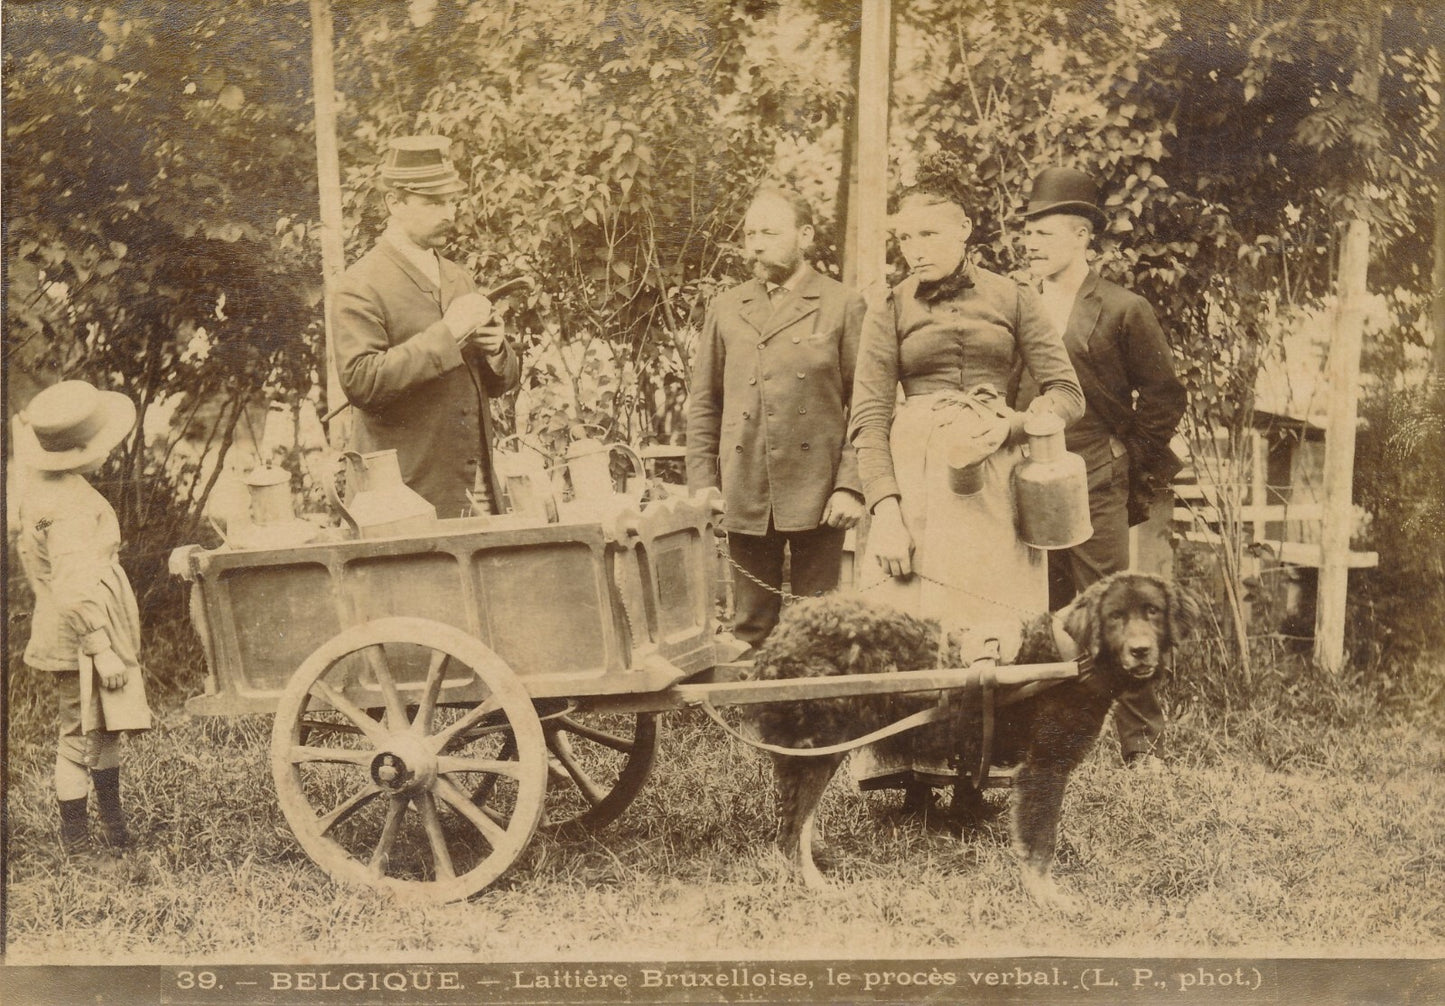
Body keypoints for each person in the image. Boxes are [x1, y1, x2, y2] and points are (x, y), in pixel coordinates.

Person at [847, 152, 1084, 805]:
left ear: (962, 231)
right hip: (917, 489)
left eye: (927, 234)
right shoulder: (887, 308)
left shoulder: (1013, 297)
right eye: (903, 237)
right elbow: (867, 415)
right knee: (916, 624)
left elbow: (1065, 394)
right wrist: (885, 510)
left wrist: (1013, 426)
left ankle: (979, 774)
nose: (913, 248)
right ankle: (913, 773)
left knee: (991, 629)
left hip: (993, 488)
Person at [1017, 166, 1188, 769]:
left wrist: (1124, 461)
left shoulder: (1122, 308)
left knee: (1116, 609)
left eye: (1046, 233)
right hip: (1024, 476)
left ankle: (1141, 745)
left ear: (1082, 236)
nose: (1032, 243)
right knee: (1039, 608)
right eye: (1028, 233)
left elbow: (1165, 396)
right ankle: (1046, 734)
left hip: (1095, 474)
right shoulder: (1014, 305)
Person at [686, 188, 867, 649]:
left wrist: (851, 484)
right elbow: (706, 402)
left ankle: (820, 721)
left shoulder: (842, 304)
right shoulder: (727, 306)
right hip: (745, 486)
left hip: (819, 491)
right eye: (750, 233)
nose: (756, 244)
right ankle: (754, 723)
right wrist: (704, 482)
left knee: (820, 629)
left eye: (769, 232)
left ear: (804, 236)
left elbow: (867, 405)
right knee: (749, 628)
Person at [333, 135, 520, 518]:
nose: (448, 212)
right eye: (433, 201)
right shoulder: (360, 284)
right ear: (394, 202)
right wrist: (448, 333)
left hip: (477, 489)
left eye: (451, 200)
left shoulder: (458, 277)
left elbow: (499, 382)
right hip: (399, 498)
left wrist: (497, 349)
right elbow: (361, 382)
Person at [15, 380, 154, 859]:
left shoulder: (45, 489)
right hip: (81, 636)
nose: (108, 454)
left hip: (68, 625)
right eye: (101, 447)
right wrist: (101, 646)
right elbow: (73, 585)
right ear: (77, 452)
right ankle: (77, 840)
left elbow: (40, 568)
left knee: (102, 726)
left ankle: (115, 827)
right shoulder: (70, 505)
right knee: (77, 735)